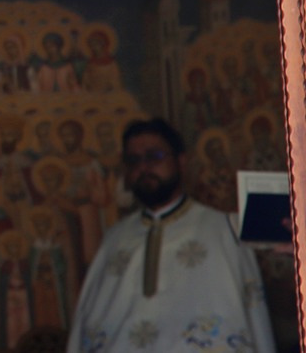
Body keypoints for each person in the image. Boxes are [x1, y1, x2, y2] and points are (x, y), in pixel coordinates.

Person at [66, 118, 273, 353]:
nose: (143, 167)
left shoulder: (225, 229)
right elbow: (90, 321)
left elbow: (250, 314)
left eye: (154, 157)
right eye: (134, 160)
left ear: (181, 162)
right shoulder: (114, 239)